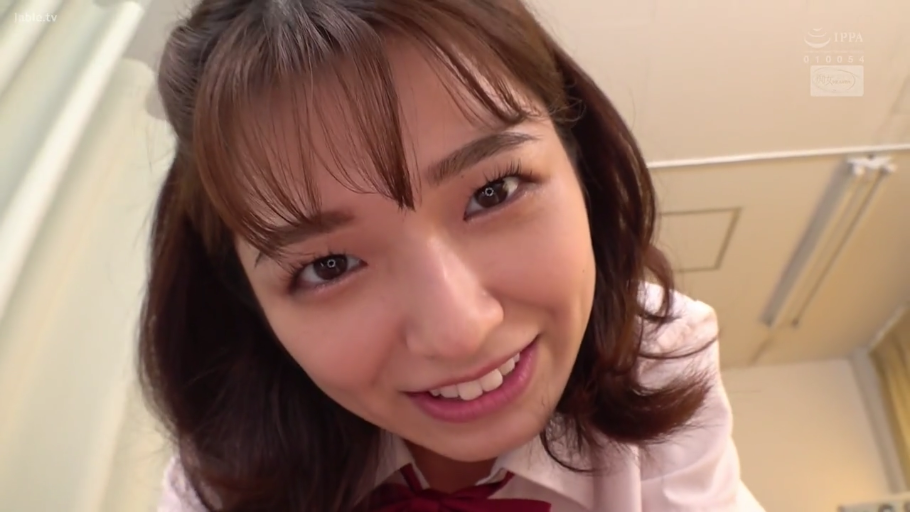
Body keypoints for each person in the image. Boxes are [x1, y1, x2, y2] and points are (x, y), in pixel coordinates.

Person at [140, 0, 766, 510]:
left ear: (579, 163)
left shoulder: (658, 354)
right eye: (329, 266)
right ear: (250, 305)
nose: (460, 331)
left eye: (494, 192)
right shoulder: (223, 473)